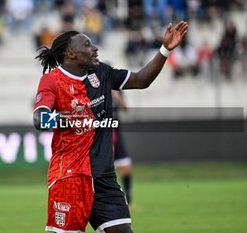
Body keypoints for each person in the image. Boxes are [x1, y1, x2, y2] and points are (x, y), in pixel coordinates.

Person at [33, 21, 188, 233]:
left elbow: (141, 80)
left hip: (105, 179)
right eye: (87, 45)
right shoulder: (52, 81)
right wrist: (68, 120)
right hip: (70, 178)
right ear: (71, 54)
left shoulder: (102, 73)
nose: (94, 48)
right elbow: (39, 119)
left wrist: (164, 50)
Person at [112, 90, 133, 205]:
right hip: (102, 134)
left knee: (126, 167)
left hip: (116, 132)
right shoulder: (96, 87)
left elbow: (125, 108)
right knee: (108, 170)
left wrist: (117, 96)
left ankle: (128, 201)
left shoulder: (117, 89)